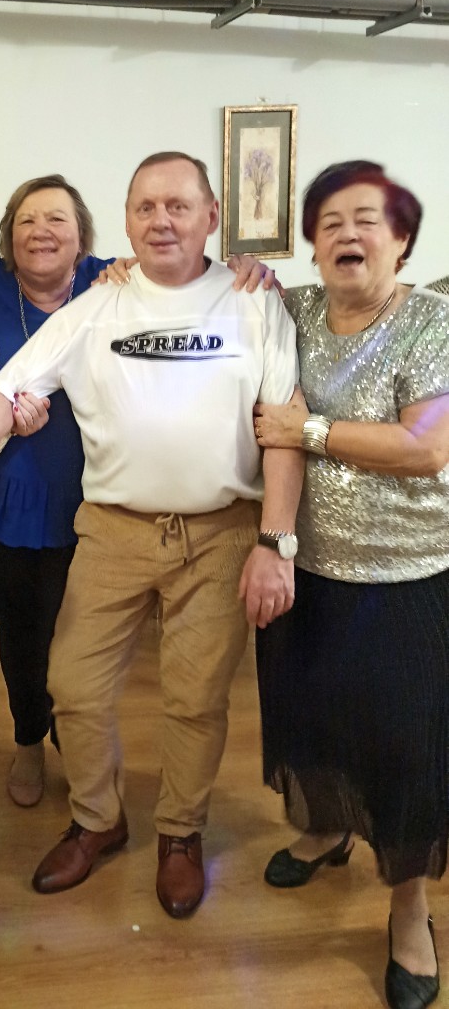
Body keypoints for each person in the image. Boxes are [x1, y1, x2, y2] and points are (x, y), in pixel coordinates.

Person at [0, 151, 304, 918]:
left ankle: (180, 833)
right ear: (127, 221)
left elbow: (282, 431)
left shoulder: (252, 300)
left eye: (177, 205)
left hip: (219, 533)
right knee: (71, 684)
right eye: (144, 207)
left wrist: (275, 542)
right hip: (111, 530)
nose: (160, 220)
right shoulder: (95, 304)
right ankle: (97, 818)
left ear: (210, 216)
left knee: (195, 699)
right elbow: (7, 388)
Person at [0, 174, 272, 811]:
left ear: (83, 237)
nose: (41, 232)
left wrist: (245, 266)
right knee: (22, 635)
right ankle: (28, 740)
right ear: (6, 236)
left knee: (77, 649)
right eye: (27, 221)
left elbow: (182, 270)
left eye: (57, 220)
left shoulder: (109, 281)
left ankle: (78, 750)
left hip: (89, 499)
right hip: (5, 492)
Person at [252, 160, 449, 1009]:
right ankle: (328, 830)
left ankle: (408, 911)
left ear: (400, 240)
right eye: (328, 222)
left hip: (406, 579)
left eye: (367, 219)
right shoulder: (290, 310)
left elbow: (425, 447)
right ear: (311, 243)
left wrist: (310, 429)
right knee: (310, 720)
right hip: (305, 569)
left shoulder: (431, 321)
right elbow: (214, 288)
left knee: (404, 751)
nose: (347, 234)